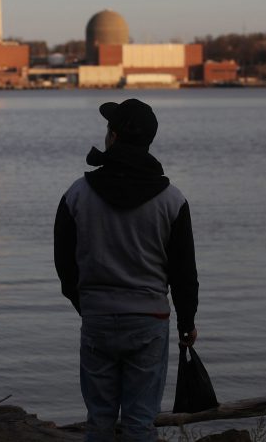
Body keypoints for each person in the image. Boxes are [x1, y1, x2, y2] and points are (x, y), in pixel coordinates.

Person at [54, 98, 199, 442]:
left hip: (98, 317)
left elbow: (64, 264)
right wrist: (187, 321)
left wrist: (85, 303)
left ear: (114, 137)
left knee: (99, 422)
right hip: (149, 319)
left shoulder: (77, 194)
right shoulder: (172, 200)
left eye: (108, 129)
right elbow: (183, 271)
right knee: (140, 423)